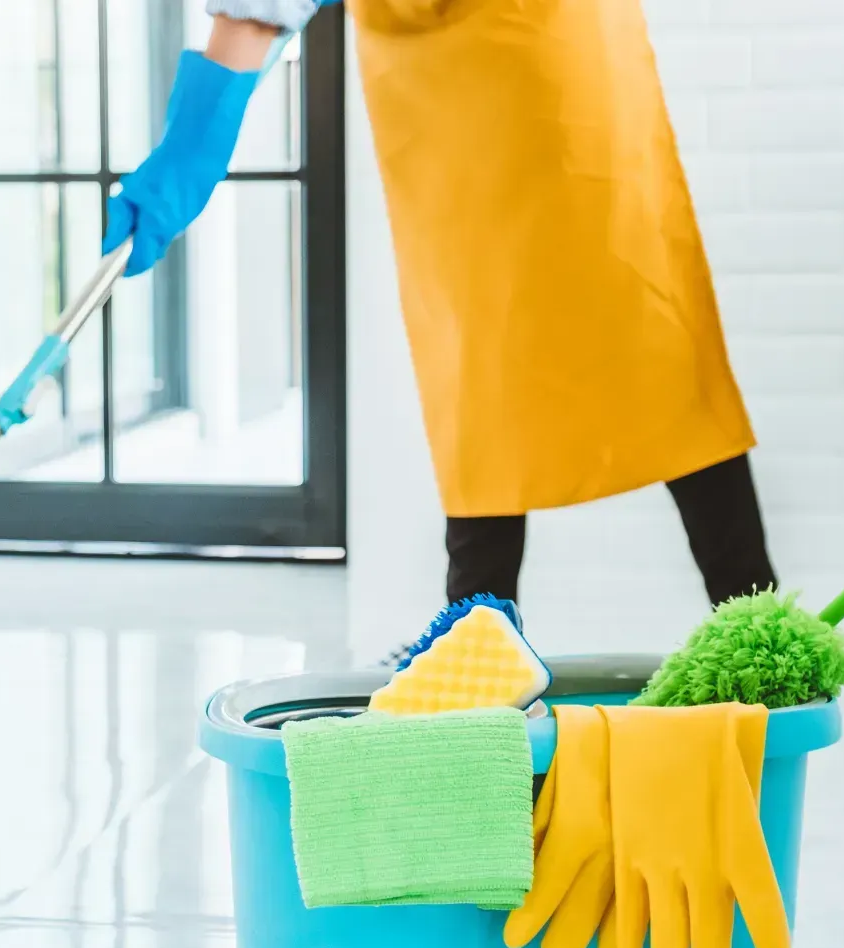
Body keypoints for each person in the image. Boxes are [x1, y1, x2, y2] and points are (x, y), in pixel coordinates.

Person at [103, 0, 777, 614]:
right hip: (476, 88)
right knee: (556, 353)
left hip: (534, 69)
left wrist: (190, 149)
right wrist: (189, 149)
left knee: (540, 356)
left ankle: (486, 649)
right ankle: (493, 649)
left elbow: (253, 18)